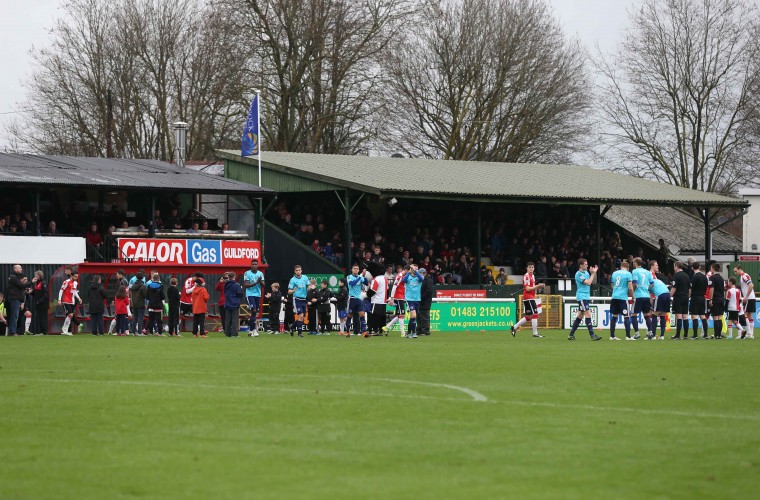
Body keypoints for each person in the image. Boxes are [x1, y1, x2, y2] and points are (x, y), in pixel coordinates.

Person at [568, 258, 602, 341]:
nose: (587, 265)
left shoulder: (586, 273)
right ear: (581, 265)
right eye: (586, 264)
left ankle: (571, 335)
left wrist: (594, 273)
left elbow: (593, 282)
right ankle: (592, 335)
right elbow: (588, 283)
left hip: (586, 297)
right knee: (588, 315)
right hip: (582, 297)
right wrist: (593, 273)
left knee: (580, 316)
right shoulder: (578, 274)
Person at [510, 262, 545, 338]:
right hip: (528, 297)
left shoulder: (532, 275)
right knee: (535, 314)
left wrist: (539, 286)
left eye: (532, 267)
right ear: (527, 268)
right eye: (530, 267)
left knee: (529, 316)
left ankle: (514, 327)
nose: (531, 269)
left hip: (531, 296)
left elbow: (532, 286)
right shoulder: (526, 276)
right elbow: (527, 288)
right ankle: (535, 333)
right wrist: (537, 286)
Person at [609, 261, 634, 340]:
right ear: (628, 267)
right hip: (622, 298)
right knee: (626, 316)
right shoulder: (628, 274)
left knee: (614, 316)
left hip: (614, 297)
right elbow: (630, 288)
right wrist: (633, 296)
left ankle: (612, 336)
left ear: (621, 266)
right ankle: (628, 336)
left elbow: (612, 285)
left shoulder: (614, 273)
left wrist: (616, 290)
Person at [630, 258, 653, 340]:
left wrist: (632, 290)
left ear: (636, 263)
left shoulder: (635, 271)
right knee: (646, 315)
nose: (632, 264)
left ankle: (637, 334)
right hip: (646, 296)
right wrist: (646, 289)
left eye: (633, 262)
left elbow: (635, 283)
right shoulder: (648, 272)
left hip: (638, 296)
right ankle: (650, 333)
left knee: (633, 315)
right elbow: (652, 284)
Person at [383, 265, 408, 338]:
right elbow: (394, 286)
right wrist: (392, 298)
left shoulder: (402, 276)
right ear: (407, 270)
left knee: (399, 315)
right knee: (401, 315)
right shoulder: (399, 276)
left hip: (400, 297)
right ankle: (403, 333)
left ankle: (386, 327)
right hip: (398, 297)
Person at [346, 264, 370, 337]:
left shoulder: (360, 277)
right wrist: (360, 276)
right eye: (354, 268)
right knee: (350, 315)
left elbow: (366, 283)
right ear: (352, 270)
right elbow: (352, 284)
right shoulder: (349, 277)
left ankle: (364, 332)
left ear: (359, 270)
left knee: (362, 314)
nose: (356, 270)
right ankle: (347, 332)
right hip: (352, 299)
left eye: (357, 269)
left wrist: (364, 276)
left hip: (359, 299)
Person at [243, 259, 265, 337]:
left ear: (257, 265)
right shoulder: (247, 273)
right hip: (250, 294)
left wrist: (260, 281)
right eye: (253, 264)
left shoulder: (260, 273)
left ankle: (251, 330)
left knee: (254, 313)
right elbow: (246, 285)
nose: (254, 265)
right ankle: (253, 330)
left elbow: (263, 285)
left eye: (256, 264)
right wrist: (256, 282)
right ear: (251, 265)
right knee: (254, 310)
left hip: (258, 295)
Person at [670, 261, 691, 340]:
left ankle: (677, 335)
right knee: (685, 316)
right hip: (686, 297)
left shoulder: (676, 275)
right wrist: (688, 296)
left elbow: (674, 288)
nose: (673, 268)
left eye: (674, 266)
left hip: (678, 297)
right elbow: (689, 289)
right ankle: (685, 335)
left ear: (676, 266)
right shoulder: (686, 276)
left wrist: (669, 296)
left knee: (678, 316)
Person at [733, 265, 755, 339]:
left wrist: (746, 296)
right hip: (751, 297)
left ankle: (748, 333)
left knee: (744, 315)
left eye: (736, 271)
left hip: (748, 298)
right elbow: (751, 285)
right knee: (749, 316)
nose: (735, 273)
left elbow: (751, 285)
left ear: (740, 269)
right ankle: (751, 333)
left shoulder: (744, 276)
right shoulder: (743, 276)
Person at [688, 262, 709, 339]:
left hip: (695, 297)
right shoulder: (704, 277)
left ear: (692, 268)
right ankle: (706, 335)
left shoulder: (694, 277)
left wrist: (689, 295)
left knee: (694, 316)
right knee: (703, 316)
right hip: (702, 298)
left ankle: (695, 335)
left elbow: (691, 288)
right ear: (699, 267)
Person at [287, 265, 310, 337]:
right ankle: (300, 333)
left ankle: (292, 327)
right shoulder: (292, 280)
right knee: (301, 315)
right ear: (294, 271)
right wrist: (293, 290)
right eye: (297, 270)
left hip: (304, 299)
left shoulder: (305, 277)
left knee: (302, 317)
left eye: (299, 270)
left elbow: (308, 285)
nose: (298, 271)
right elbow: (289, 291)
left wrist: (310, 288)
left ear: (301, 271)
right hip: (297, 299)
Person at [58, 270, 82, 335]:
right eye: (75, 276)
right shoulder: (66, 282)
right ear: (71, 276)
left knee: (70, 316)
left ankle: (65, 330)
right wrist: (59, 300)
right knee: (70, 315)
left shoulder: (75, 283)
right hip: (65, 301)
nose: (76, 278)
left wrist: (79, 298)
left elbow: (74, 292)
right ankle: (65, 330)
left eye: (77, 276)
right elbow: (61, 290)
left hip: (72, 301)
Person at [649, 273, 671, 340]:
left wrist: (651, 307)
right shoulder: (658, 280)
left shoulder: (649, 283)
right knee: (663, 314)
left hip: (660, 295)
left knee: (654, 314)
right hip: (667, 294)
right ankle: (662, 336)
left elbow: (650, 298)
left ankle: (653, 335)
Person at [368, 268, 389, 335]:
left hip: (376, 300)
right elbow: (388, 289)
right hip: (383, 301)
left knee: (374, 316)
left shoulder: (376, 279)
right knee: (382, 316)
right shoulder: (385, 279)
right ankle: (381, 330)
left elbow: (373, 291)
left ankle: (375, 330)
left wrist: (366, 295)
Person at [108, 269, 129, 334]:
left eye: (117, 274)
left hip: (120, 305)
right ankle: (124, 330)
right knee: (122, 318)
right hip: (123, 305)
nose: (116, 275)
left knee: (119, 318)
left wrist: (115, 299)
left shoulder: (123, 282)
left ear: (120, 274)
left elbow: (124, 291)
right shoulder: (122, 281)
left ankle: (121, 331)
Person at [708, 263, 726, 339]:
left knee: (715, 317)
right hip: (721, 299)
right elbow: (724, 289)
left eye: (711, 268)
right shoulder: (722, 278)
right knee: (719, 317)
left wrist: (710, 299)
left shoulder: (712, 278)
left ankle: (716, 335)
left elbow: (711, 289)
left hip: (715, 298)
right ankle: (719, 335)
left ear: (713, 268)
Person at [6, 264, 25, 336]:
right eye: (20, 268)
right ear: (15, 269)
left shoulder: (13, 277)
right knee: (14, 316)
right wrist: (31, 282)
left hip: (15, 299)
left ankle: (11, 331)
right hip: (15, 299)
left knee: (14, 316)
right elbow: (21, 286)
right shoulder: (13, 277)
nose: (21, 269)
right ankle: (12, 332)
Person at [223, 272, 244, 337]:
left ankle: (227, 333)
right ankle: (234, 334)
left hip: (228, 303)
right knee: (234, 319)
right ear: (234, 277)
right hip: (235, 303)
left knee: (228, 319)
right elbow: (239, 294)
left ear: (228, 277)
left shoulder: (226, 285)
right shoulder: (237, 285)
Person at [31, 270, 48, 335]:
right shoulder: (37, 283)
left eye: (36, 275)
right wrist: (31, 292)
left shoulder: (43, 283)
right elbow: (36, 293)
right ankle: (42, 332)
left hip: (43, 304)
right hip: (38, 304)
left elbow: (45, 294)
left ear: (40, 276)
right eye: (35, 275)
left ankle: (44, 332)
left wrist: (39, 301)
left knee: (43, 318)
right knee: (40, 318)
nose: (35, 277)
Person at [419, 268, 435, 336]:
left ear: (424, 273)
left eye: (420, 273)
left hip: (425, 302)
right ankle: (419, 330)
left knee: (425, 316)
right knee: (419, 316)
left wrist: (421, 297)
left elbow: (429, 291)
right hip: (420, 301)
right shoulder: (421, 280)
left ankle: (426, 331)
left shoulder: (428, 280)